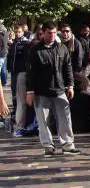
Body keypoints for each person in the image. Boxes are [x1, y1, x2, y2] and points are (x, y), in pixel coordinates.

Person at [26, 22, 79, 157]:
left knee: (65, 119)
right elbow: (30, 72)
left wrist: (70, 85)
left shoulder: (61, 48)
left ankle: (68, 145)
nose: (52, 35)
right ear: (42, 33)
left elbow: (67, 68)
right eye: (49, 33)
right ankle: (48, 146)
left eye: (55, 33)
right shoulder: (35, 50)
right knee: (43, 121)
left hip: (60, 89)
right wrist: (30, 91)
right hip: (41, 91)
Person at [8, 23, 30, 134]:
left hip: (22, 72)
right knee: (14, 95)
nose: (17, 34)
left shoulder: (26, 44)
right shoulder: (14, 44)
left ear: (23, 32)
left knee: (20, 97)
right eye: (16, 32)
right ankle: (14, 117)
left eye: (19, 32)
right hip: (14, 72)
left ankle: (20, 123)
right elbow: (10, 58)